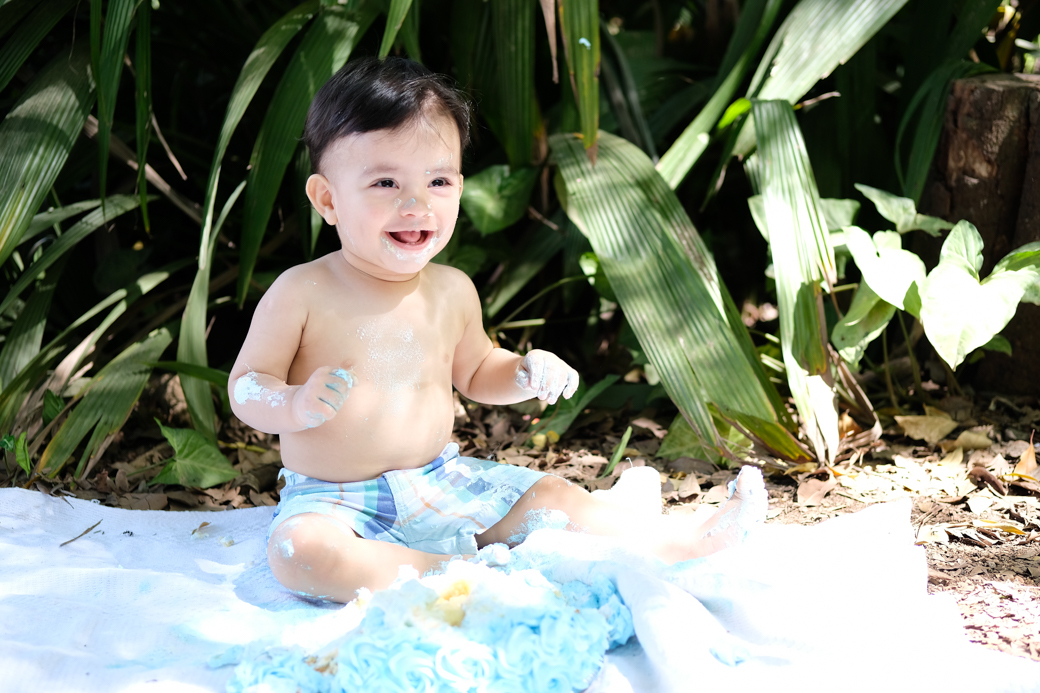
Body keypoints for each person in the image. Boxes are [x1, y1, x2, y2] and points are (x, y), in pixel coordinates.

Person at [228, 56, 767, 604]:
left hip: (440, 482)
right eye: (386, 181)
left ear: (459, 188)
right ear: (327, 199)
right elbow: (247, 383)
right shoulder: (302, 291)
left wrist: (526, 371)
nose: (415, 204)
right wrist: (294, 404)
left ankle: (681, 541)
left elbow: (479, 371)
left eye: (437, 180)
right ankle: (460, 569)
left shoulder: (452, 289)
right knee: (300, 552)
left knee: (554, 496)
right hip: (336, 499)